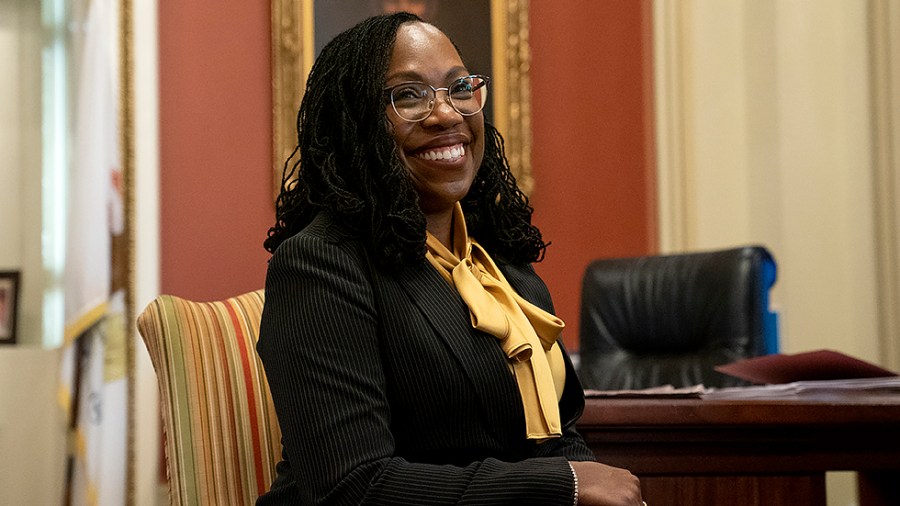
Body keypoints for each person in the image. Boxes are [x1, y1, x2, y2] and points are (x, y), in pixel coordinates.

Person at [257, 12, 645, 506]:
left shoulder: (499, 266)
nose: (447, 114)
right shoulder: (320, 264)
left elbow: (555, 435)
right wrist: (561, 485)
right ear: (355, 122)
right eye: (409, 95)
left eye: (460, 88)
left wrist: (590, 481)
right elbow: (350, 487)